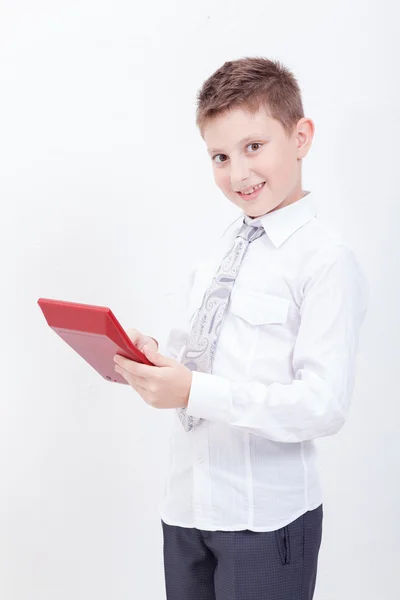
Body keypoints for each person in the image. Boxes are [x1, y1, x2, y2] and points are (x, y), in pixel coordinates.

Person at [113, 56, 369, 599]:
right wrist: (155, 358)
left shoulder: (326, 261)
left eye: (254, 147)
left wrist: (195, 391)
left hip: (265, 520)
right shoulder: (220, 250)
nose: (238, 173)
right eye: (220, 156)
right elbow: (200, 356)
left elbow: (324, 404)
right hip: (186, 508)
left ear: (301, 136)